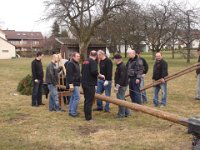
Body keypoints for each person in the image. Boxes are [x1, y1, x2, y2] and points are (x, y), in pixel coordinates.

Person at [82, 51, 103, 121]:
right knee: (89, 101)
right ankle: (88, 118)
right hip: (90, 84)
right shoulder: (93, 62)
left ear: (89, 54)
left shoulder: (85, 61)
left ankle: (86, 115)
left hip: (84, 83)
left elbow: (82, 71)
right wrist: (100, 75)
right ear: (96, 56)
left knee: (86, 100)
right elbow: (94, 72)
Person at [114, 54, 130, 118]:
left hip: (121, 86)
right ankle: (127, 112)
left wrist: (117, 87)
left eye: (114, 59)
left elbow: (122, 78)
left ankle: (121, 114)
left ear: (117, 59)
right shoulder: (119, 66)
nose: (114, 60)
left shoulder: (122, 66)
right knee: (122, 99)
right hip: (121, 85)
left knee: (120, 100)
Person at [66, 52, 81, 117]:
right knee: (77, 97)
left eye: (79, 56)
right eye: (77, 56)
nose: (79, 57)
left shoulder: (76, 63)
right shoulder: (71, 64)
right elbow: (69, 75)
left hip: (76, 83)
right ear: (73, 57)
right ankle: (73, 112)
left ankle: (71, 111)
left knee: (73, 97)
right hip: (73, 83)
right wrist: (71, 85)